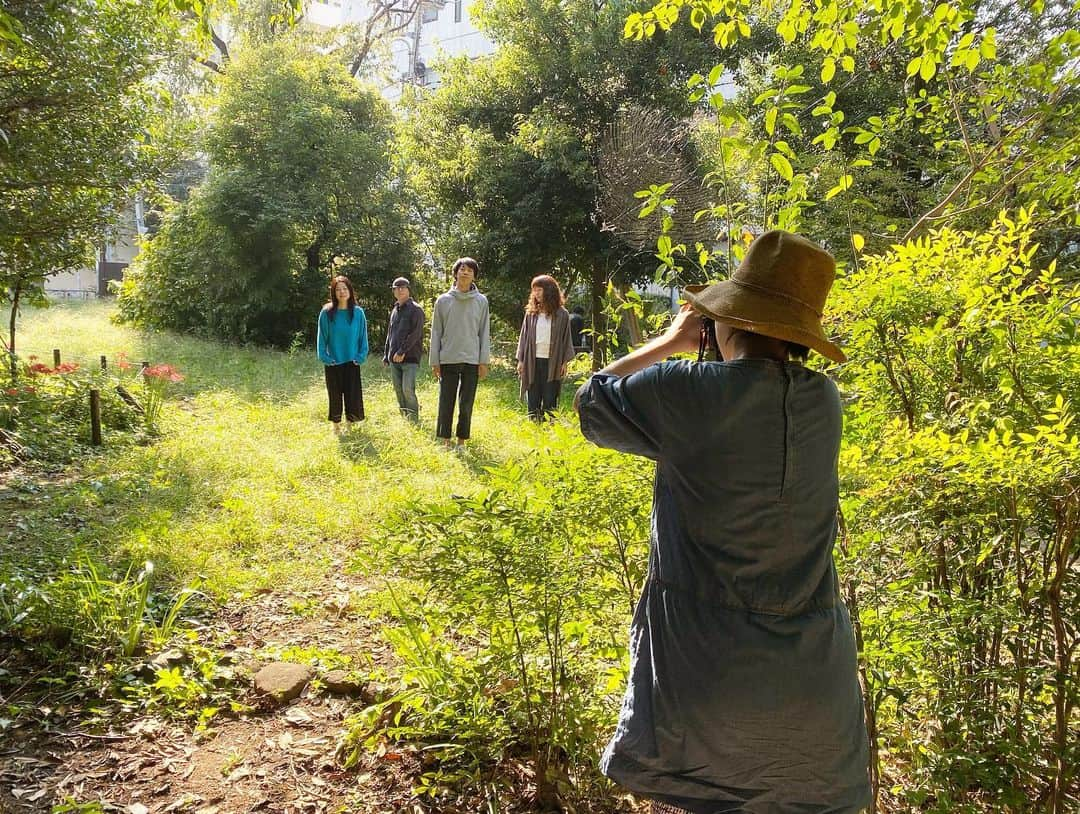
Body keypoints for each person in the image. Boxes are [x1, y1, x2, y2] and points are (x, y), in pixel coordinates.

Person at [574, 230, 871, 814]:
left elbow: (592, 401)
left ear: (727, 322)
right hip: (814, 691)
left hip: (703, 684)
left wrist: (671, 340)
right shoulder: (824, 402)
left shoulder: (684, 389)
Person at [429, 257, 491, 449]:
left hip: (472, 359)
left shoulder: (481, 301)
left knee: (466, 403)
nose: (465, 273)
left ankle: (461, 441)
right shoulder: (443, 300)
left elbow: (484, 331)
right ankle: (446, 440)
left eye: (469, 270)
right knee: (446, 401)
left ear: (474, 276)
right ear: (455, 273)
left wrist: (483, 361)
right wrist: (435, 361)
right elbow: (436, 331)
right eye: (462, 269)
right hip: (448, 358)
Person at [515, 275, 575, 421]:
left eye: (539, 289)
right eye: (534, 290)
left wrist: (564, 362)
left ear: (549, 291)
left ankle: (549, 427)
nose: (536, 293)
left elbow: (566, 339)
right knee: (533, 394)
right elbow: (523, 337)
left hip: (552, 361)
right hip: (532, 360)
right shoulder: (531, 314)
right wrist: (521, 360)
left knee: (550, 396)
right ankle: (534, 424)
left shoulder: (562, 314)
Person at [317, 275, 369, 434]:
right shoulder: (326, 313)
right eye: (338, 289)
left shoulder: (358, 313)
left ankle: (350, 425)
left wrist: (361, 356)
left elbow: (363, 338)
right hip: (333, 362)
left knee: (352, 395)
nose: (341, 292)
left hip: (352, 362)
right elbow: (321, 339)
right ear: (333, 292)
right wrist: (325, 358)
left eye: (344, 289)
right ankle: (336, 426)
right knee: (335, 395)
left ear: (350, 291)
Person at [383, 276, 425, 422]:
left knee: (408, 389)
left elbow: (416, 334)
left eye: (403, 287)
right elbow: (390, 333)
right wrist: (386, 354)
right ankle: (404, 417)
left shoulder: (416, 310)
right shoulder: (394, 309)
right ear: (394, 291)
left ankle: (413, 419)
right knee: (398, 390)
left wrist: (402, 351)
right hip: (393, 359)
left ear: (408, 290)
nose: (400, 290)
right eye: (397, 288)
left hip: (410, 358)